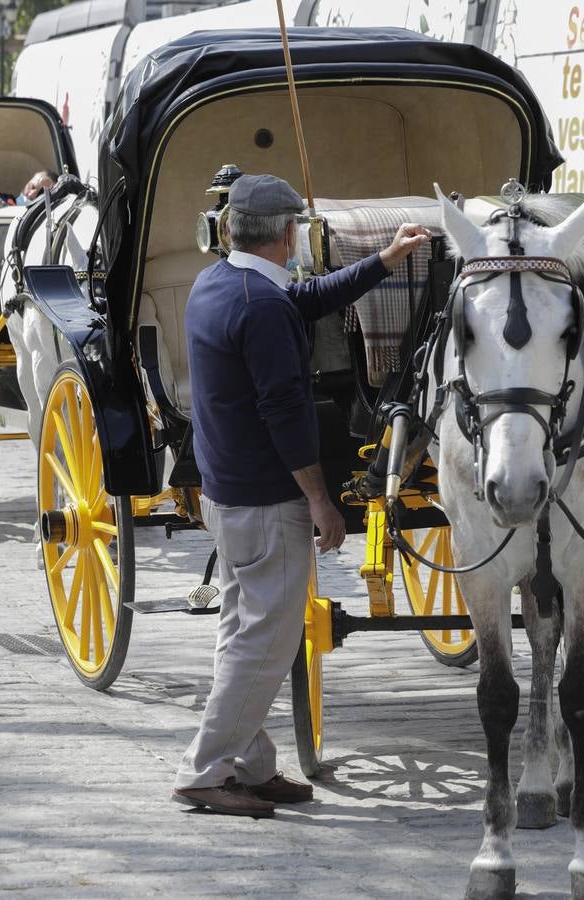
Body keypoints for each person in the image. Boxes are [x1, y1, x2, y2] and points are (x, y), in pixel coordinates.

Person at [173, 174, 430, 816]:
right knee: (268, 640)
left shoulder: (220, 284)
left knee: (245, 633)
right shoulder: (259, 305)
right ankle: (202, 770)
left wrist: (383, 261)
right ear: (288, 233)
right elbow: (286, 411)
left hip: (229, 494)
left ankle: (247, 766)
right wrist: (320, 499)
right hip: (264, 501)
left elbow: (304, 300)